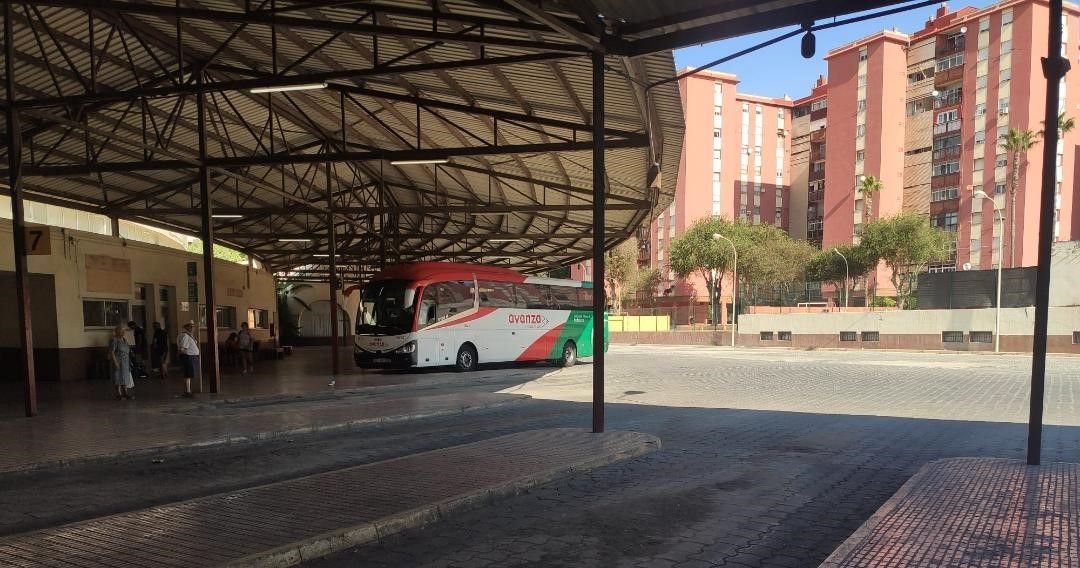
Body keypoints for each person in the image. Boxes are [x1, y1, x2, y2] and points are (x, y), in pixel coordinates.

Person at [108, 325, 134, 400]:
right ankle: (119, 394)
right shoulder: (114, 340)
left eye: (124, 331)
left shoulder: (124, 340)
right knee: (118, 377)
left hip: (125, 362)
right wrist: (115, 362)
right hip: (118, 361)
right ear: (117, 332)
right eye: (121, 331)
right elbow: (112, 352)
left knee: (125, 377)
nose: (123, 332)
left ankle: (125, 393)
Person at [177, 321, 200, 398]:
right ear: (186, 327)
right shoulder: (185, 336)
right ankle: (187, 391)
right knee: (187, 375)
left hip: (190, 357)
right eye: (190, 327)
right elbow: (183, 349)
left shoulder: (189, 335)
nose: (192, 328)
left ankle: (188, 390)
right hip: (188, 357)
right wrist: (186, 356)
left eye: (193, 326)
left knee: (188, 375)